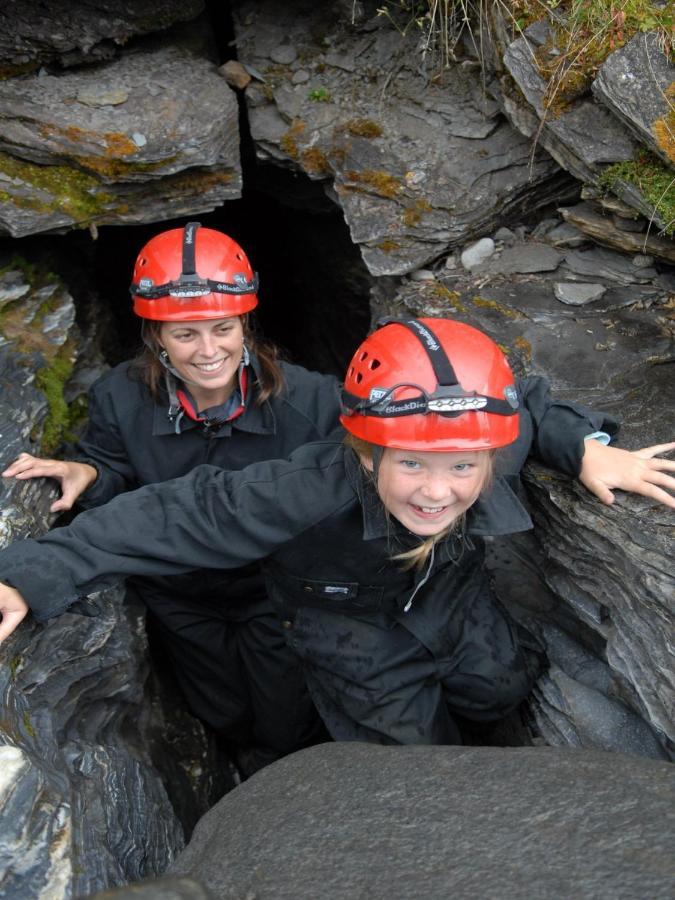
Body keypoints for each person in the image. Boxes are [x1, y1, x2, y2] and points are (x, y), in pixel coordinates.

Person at [0, 317, 673, 745]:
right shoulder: (304, 488)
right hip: (345, 630)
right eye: (409, 463)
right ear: (363, 452)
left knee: (496, 687)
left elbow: (527, 403)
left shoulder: (488, 438)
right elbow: (177, 512)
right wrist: (31, 574)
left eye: (463, 467)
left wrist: (585, 446)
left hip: (453, 603)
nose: (438, 491)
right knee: (415, 754)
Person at [3, 221, 344, 773]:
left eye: (223, 328)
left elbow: (388, 434)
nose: (208, 351)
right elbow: (115, 467)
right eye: (185, 334)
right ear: (155, 337)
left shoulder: (309, 401)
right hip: (180, 595)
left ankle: (283, 790)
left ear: (245, 325)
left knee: (284, 720)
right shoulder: (121, 397)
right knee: (222, 709)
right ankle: (235, 769)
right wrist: (90, 472)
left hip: (271, 593)